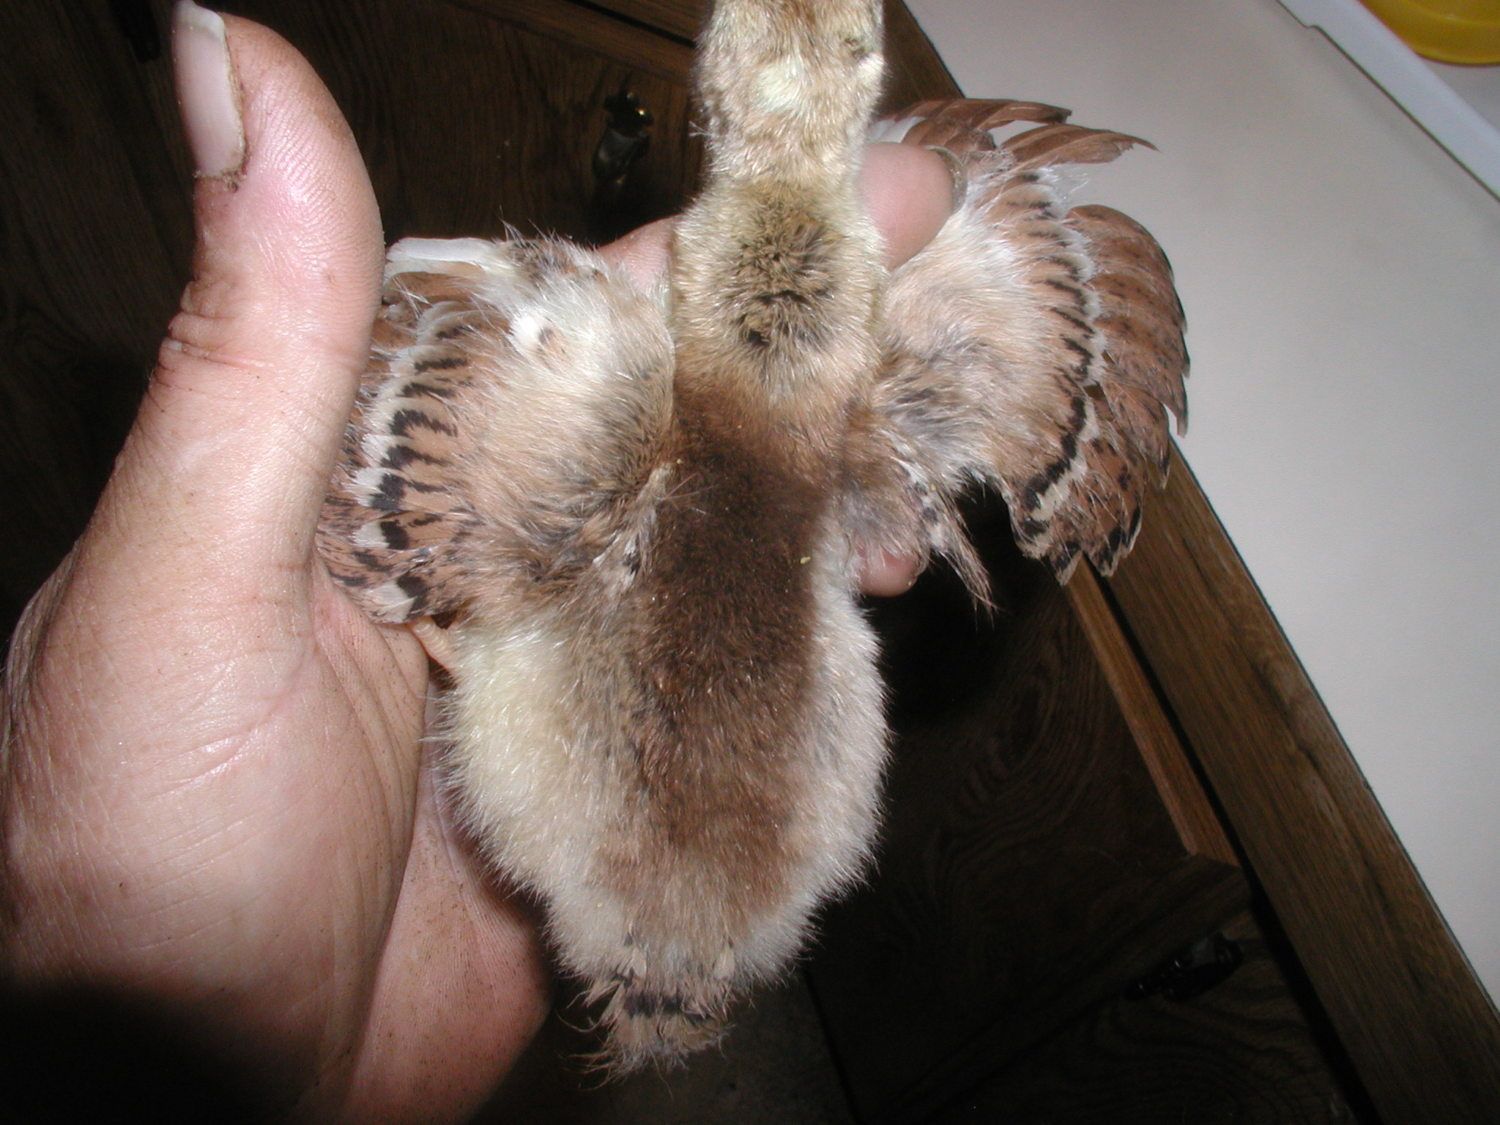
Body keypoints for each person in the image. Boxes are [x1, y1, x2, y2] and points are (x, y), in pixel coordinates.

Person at [0, 2, 953, 1118]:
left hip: (638, 785)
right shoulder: (623, 386)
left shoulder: (576, 364)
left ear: (714, 78)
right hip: (689, 795)